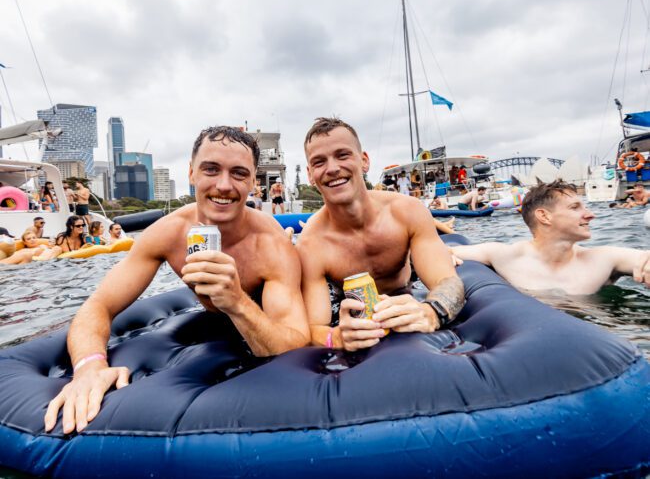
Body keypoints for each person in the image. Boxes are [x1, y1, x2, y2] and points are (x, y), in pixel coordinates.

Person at [44, 126, 309, 435]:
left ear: (252, 182)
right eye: (211, 169)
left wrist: (236, 300)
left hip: (263, 320)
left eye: (238, 174)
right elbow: (98, 306)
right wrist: (89, 368)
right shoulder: (169, 232)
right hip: (211, 324)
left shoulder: (270, 245)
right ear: (191, 173)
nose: (223, 185)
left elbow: (295, 344)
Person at [297, 117, 464, 352]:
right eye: (319, 162)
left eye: (342, 155)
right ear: (310, 175)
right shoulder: (311, 245)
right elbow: (314, 326)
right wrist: (336, 338)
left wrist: (431, 312)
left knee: (447, 259)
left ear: (364, 161)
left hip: (407, 285)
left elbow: (447, 281)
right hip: (349, 305)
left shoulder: (407, 211)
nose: (332, 168)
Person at [451, 181, 650, 295]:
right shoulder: (502, 255)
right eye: (575, 208)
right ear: (544, 216)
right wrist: (446, 256)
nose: (591, 214)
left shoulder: (605, 259)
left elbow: (641, 259)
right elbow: (439, 251)